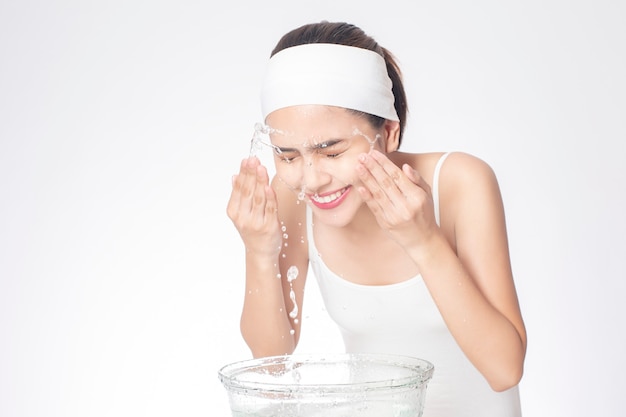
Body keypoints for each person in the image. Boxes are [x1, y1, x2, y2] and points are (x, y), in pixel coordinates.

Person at [227, 21, 526, 417]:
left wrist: (423, 241)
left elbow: (505, 369)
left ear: (389, 132)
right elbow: (271, 360)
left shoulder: (459, 183)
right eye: (287, 155)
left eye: (332, 152)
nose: (311, 179)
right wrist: (259, 253)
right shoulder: (293, 198)